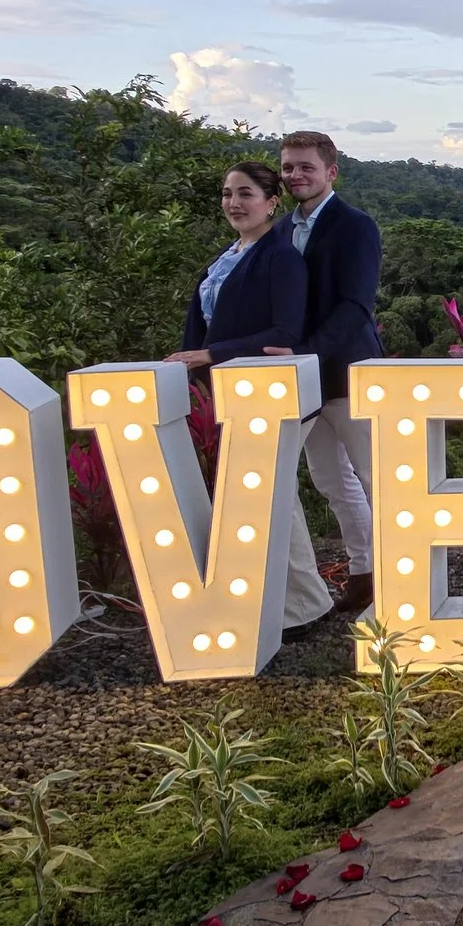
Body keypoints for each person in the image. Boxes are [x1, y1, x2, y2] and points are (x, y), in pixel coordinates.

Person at [166, 158, 334, 629]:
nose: (233, 203)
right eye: (226, 194)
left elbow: (285, 329)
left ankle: (302, 607)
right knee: (272, 496)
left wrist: (210, 354)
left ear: (271, 202)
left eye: (245, 194)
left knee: (264, 494)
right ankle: (304, 602)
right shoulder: (226, 257)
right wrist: (188, 366)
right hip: (225, 394)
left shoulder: (281, 258)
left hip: (271, 394)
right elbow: (196, 333)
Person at [279, 128, 384, 614]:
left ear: (330, 172)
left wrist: (307, 354)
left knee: (375, 477)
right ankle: (364, 573)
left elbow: (355, 305)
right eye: (288, 167)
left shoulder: (355, 225)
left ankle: (400, 577)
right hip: (302, 382)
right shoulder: (279, 230)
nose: (295, 175)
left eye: (305, 167)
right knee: (329, 481)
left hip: (348, 372)